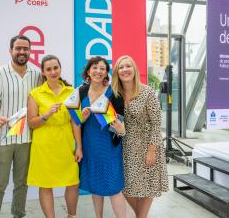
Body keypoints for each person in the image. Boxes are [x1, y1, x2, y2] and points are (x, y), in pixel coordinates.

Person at [0, 35, 41, 218]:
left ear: (30, 51)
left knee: (21, 183)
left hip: (27, 138)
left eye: (25, 48)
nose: (22, 52)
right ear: (10, 51)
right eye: (18, 48)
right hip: (3, 138)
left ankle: (18, 214)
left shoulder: (37, 75)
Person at [112, 55, 169, 218]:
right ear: (117, 72)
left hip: (147, 146)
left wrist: (152, 150)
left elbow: (156, 123)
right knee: (126, 187)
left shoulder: (148, 92)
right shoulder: (115, 94)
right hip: (126, 147)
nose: (125, 70)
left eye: (128, 66)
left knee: (147, 186)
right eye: (121, 67)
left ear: (134, 69)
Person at [27, 55, 83, 218]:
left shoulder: (72, 92)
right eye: (49, 69)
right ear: (43, 72)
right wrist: (47, 114)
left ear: (60, 68)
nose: (53, 72)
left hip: (66, 142)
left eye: (55, 68)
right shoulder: (35, 93)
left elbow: (75, 122)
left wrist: (79, 146)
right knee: (45, 185)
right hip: (44, 144)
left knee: (73, 182)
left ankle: (72, 215)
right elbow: (31, 122)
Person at [78, 56, 126, 218]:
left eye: (102, 68)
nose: (98, 71)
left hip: (109, 145)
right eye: (94, 67)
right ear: (88, 71)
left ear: (107, 73)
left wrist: (121, 129)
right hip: (90, 144)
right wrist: (82, 118)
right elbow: (76, 121)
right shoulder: (81, 91)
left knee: (114, 187)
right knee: (95, 184)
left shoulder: (115, 92)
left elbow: (122, 123)